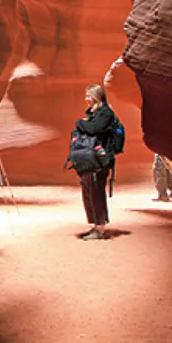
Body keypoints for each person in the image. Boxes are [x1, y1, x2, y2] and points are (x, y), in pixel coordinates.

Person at [75, 84, 120, 240]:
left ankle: (99, 228)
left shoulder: (105, 113)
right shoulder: (96, 114)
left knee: (96, 191)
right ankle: (96, 225)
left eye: (89, 96)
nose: (86, 99)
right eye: (86, 96)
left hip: (101, 159)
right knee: (89, 189)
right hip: (93, 158)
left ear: (97, 97)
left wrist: (80, 123)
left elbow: (93, 129)